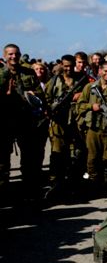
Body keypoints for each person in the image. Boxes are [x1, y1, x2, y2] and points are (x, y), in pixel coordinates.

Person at [1, 43, 47, 200]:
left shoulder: (28, 72)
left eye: (16, 54)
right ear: (5, 55)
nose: (14, 57)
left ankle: (28, 194)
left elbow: (41, 95)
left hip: (25, 121)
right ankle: (4, 194)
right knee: (2, 162)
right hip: (5, 122)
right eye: (10, 54)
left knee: (29, 159)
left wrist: (34, 95)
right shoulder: (1, 73)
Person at [76, 61, 107, 196]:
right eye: (105, 71)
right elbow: (79, 106)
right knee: (92, 159)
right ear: (99, 71)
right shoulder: (89, 88)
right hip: (93, 128)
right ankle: (94, 186)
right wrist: (91, 107)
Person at [45, 54, 89, 196]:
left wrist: (80, 95)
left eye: (70, 65)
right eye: (65, 65)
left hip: (75, 121)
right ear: (61, 65)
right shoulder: (54, 81)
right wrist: (52, 108)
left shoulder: (80, 80)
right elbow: (46, 98)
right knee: (57, 153)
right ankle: (55, 183)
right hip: (58, 122)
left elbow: (87, 96)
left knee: (76, 153)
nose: (68, 68)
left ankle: (73, 183)